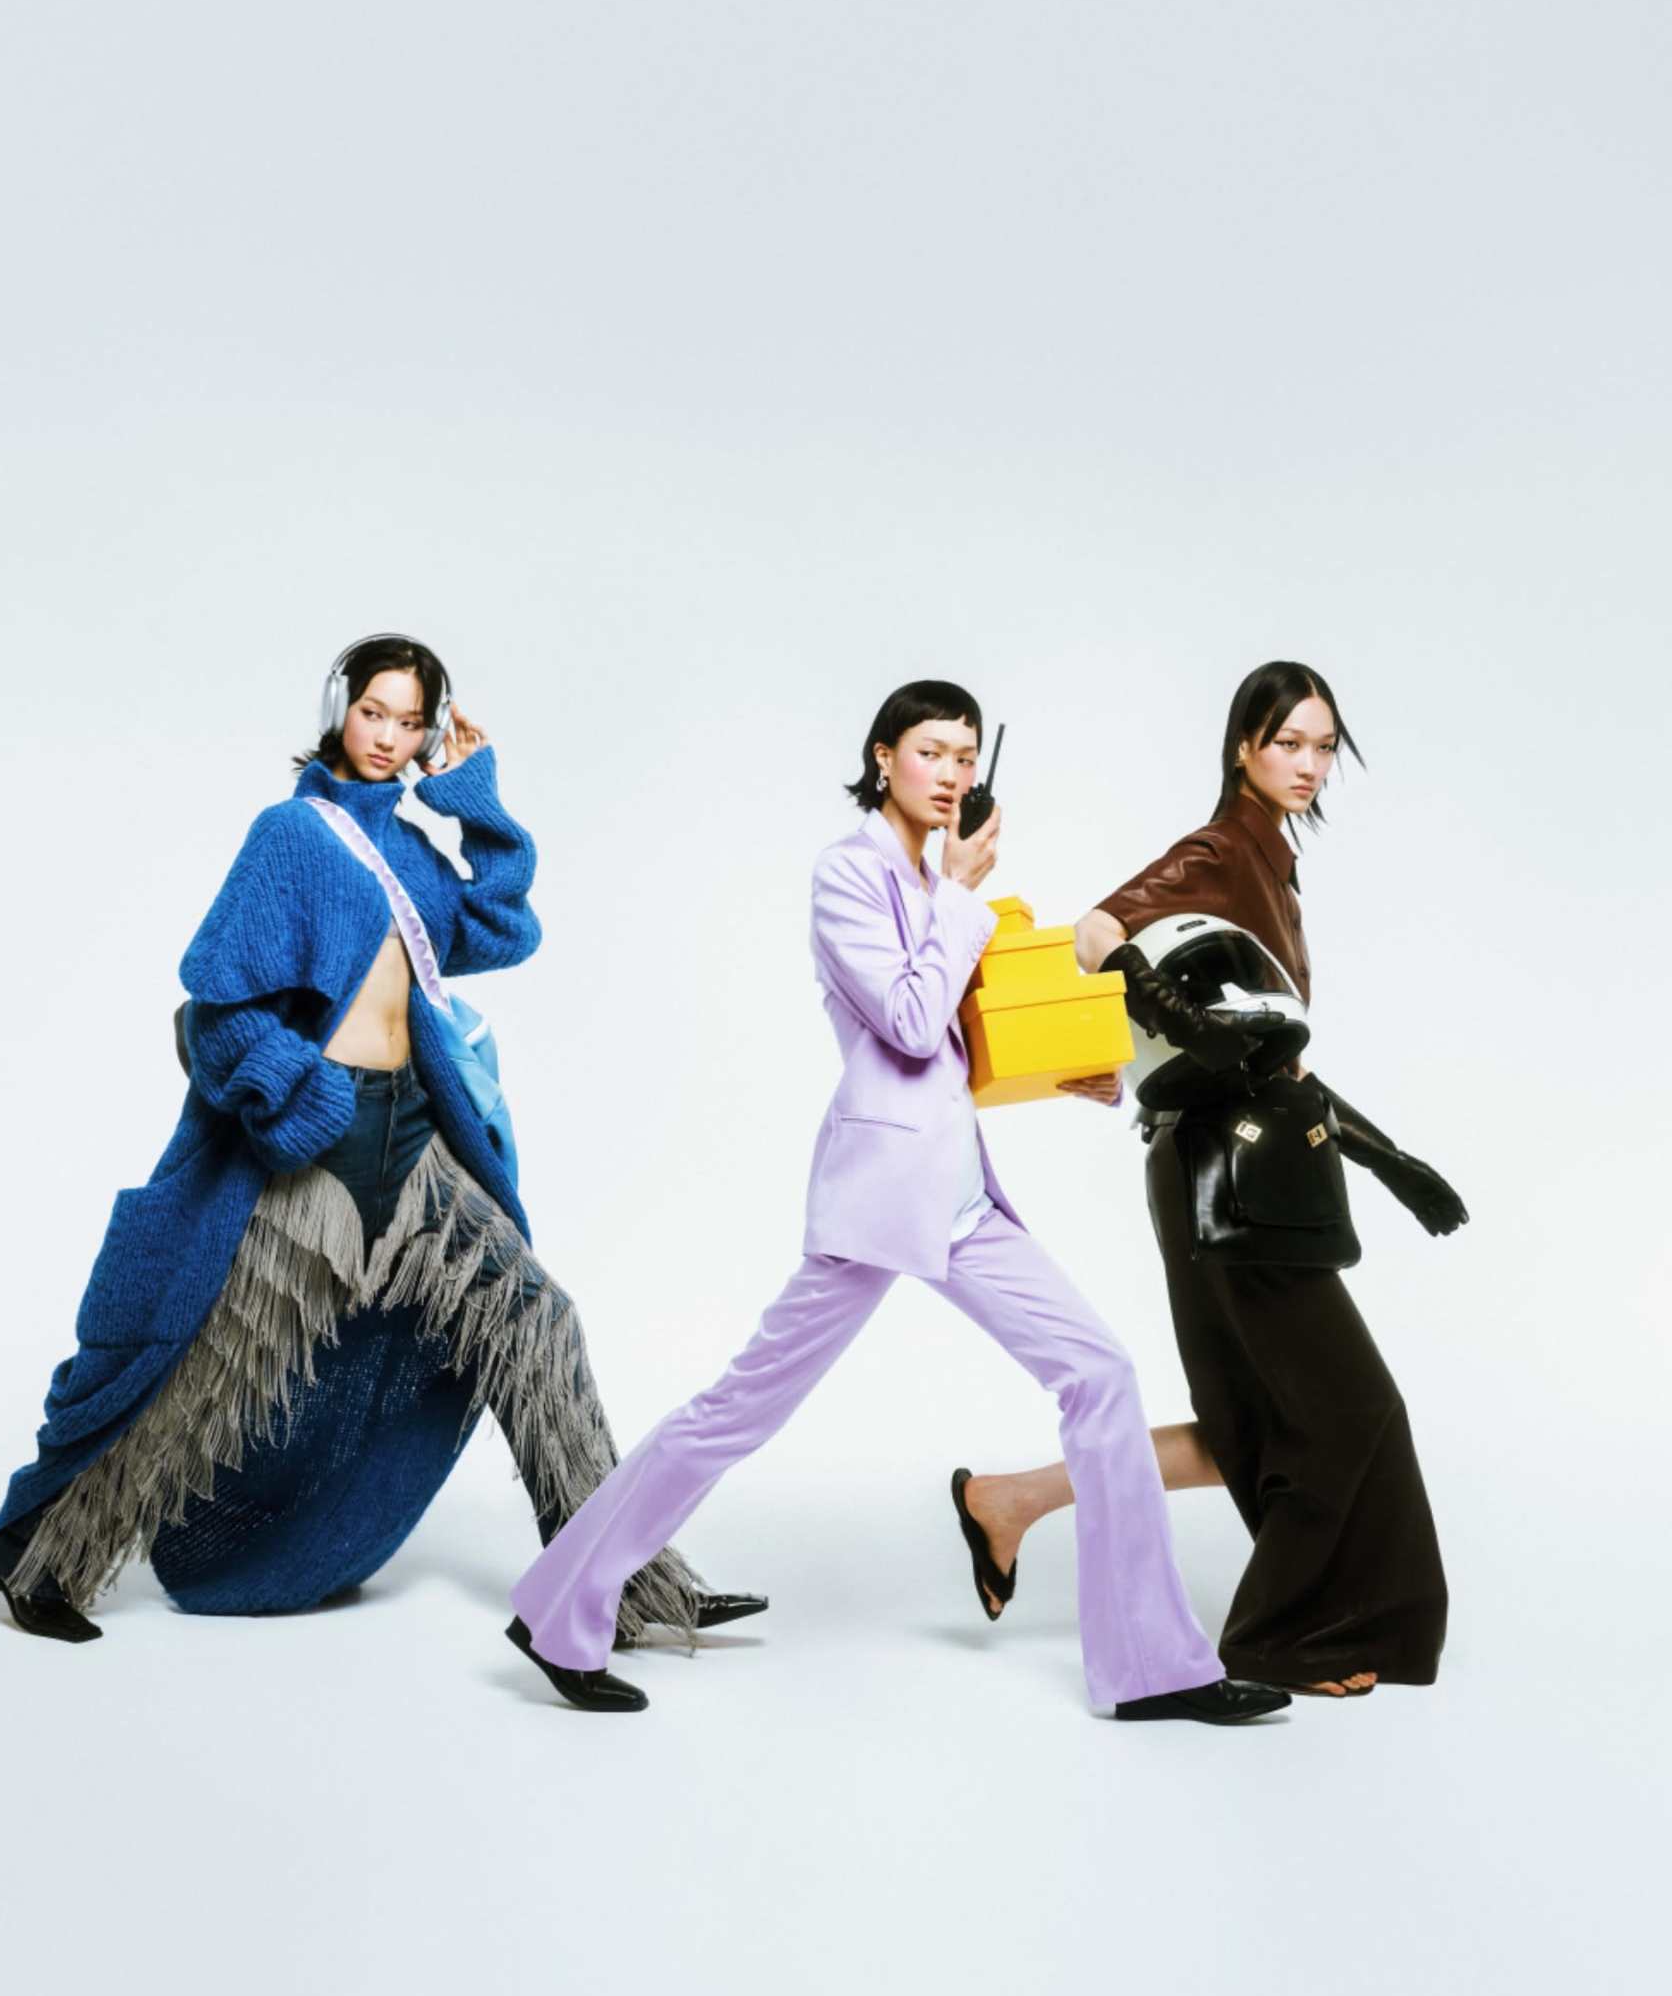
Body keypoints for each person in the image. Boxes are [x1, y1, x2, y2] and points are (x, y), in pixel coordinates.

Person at [501, 680, 1283, 1722]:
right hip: (879, 1202)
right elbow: (911, 1024)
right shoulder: (851, 875)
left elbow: (962, 1043)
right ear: (883, 759)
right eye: (932, 750)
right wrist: (958, 893)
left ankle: (1153, 1667)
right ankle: (560, 1608)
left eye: (967, 753)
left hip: (961, 1195)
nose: (954, 771)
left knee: (1100, 1372)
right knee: (735, 1414)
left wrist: (1067, 1072)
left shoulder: (929, 877)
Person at [0, 634, 750, 1647]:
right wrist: (295, 1097)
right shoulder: (292, 835)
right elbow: (218, 1007)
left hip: (416, 1142)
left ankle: (619, 1582)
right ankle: (48, 1566)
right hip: (316, 1142)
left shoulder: (417, 856)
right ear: (341, 709)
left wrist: (472, 796)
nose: (388, 735)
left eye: (409, 720)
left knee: (538, 1323)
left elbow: (504, 928)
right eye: (373, 712)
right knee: (215, 1368)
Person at [952, 662, 1463, 1695]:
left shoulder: (1271, 862)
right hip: (1221, 1172)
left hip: (1252, 1160)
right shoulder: (1222, 847)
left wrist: (1392, 1160)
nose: (1309, 763)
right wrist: (1166, 1020)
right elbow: (1098, 931)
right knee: (1352, 1413)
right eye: (1289, 742)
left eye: (1323, 745)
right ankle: (1283, 1640)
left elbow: (1282, 1054)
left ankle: (1008, 1500)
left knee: (1253, 1428)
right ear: (1245, 746)